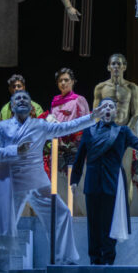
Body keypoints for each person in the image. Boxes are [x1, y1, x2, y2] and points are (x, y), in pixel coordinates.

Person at [0, 91, 99, 270]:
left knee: (62, 213)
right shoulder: (1, 127)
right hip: (13, 182)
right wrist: (15, 150)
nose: (22, 100)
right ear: (12, 105)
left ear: (31, 105)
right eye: (18, 98)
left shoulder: (40, 125)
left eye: (25, 98)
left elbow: (67, 127)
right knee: (4, 225)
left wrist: (92, 117)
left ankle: (64, 259)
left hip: (38, 181)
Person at [70, 98, 138, 265]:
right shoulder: (88, 131)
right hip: (92, 183)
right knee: (93, 224)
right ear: (98, 110)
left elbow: (137, 143)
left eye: (111, 106)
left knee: (109, 223)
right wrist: (74, 180)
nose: (108, 109)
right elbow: (79, 158)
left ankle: (108, 261)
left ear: (115, 112)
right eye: (104, 106)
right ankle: (94, 260)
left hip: (112, 182)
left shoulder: (122, 131)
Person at [93, 54, 138, 206]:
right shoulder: (101, 88)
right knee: (105, 172)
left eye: (119, 64)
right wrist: (100, 133)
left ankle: (125, 209)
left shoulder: (132, 87)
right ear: (108, 67)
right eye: (113, 64)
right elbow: (95, 114)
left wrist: (125, 132)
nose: (116, 67)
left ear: (124, 67)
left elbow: (135, 114)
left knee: (125, 172)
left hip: (123, 133)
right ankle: (106, 208)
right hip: (105, 134)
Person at [50, 67, 90, 215]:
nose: (63, 83)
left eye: (66, 80)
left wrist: (77, 143)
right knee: (59, 183)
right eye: (60, 80)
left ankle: (81, 216)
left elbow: (86, 123)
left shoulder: (79, 100)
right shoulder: (55, 102)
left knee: (76, 182)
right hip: (58, 148)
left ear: (73, 82)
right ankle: (63, 214)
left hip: (75, 147)